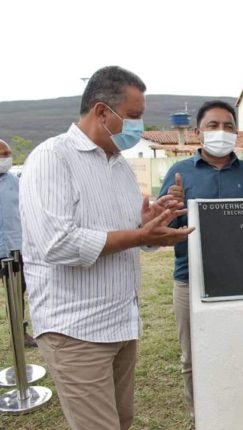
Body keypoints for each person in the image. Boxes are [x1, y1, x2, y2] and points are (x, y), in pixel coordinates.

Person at [19, 66, 193, 430]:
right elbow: (58, 243)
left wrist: (149, 222)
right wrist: (140, 236)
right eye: (134, 116)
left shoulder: (119, 166)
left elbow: (129, 235)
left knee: (121, 420)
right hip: (76, 329)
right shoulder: (53, 157)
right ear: (102, 111)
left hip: (120, 323)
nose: (139, 128)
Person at [159, 100, 243, 414]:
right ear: (198, 132)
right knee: (192, 357)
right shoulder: (179, 173)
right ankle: (201, 415)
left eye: (228, 126)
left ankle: (237, 412)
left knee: (239, 351)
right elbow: (163, 230)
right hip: (190, 279)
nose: (221, 131)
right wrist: (171, 208)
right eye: (213, 125)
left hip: (242, 281)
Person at [0, 139, 36, 348]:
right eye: (1, 155)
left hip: (14, 250)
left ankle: (20, 333)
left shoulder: (17, 183)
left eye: (7, 154)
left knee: (17, 292)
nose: (5, 158)